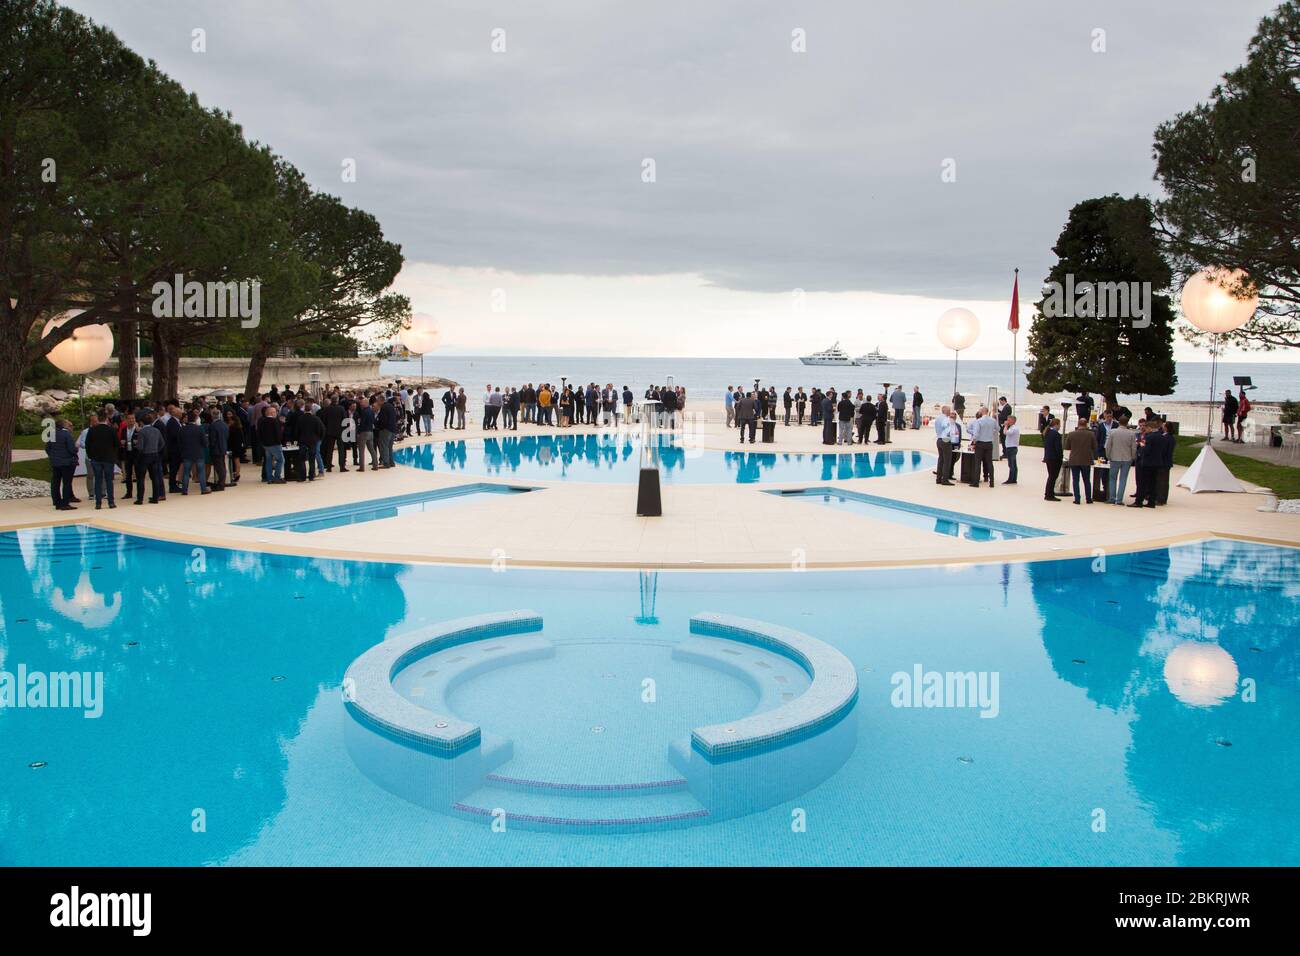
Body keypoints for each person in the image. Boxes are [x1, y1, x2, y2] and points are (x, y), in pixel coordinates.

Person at [45, 419, 79, 511]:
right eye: (69, 425)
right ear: (65, 426)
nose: (70, 427)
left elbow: (48, 448)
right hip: (66, 462)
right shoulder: (66, 435)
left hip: (55, 462)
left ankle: (57, 502)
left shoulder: (52, 434)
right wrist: (76, 449)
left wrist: (52, 456)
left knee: (55, 482)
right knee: (67, 483)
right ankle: (65, 503)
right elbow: (72, 449)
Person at [134, 413, 166, 503]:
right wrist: (156, 449)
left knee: (141, 478)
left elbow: (140, 447)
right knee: (155, 477)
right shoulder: (156, 430)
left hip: (144, 456)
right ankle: (155, 497)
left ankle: (140, 498)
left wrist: (136, 445)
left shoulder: (142, 432)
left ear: (141, 422)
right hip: (155, 455)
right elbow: (162, 443)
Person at [1063, 417, 1097, 504]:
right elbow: (1094, 447)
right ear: (1086, 424)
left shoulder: (1071, 434)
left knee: (1075, 480)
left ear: (1078, 424)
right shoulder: (1091, 434)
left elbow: (1067, 447)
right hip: (1086, 460)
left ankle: (1077, 499)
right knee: (1086, 480)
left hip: (1074, 459)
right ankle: (1088, 498)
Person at [1132, 420, 1163, 508]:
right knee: (1153, 483)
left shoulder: (1150, 437)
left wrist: (1142, 446)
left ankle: (1139, 501)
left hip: (1147, 462)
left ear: (1150, 428)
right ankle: (1151, 501)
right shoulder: (1161, 436)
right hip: (1156, 462)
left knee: (1142, 482)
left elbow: (1147, 450)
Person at [1104, 415, 1135, 504]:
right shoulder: (1131, 433)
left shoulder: (1112, 432)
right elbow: (1133, 447)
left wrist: (1108, 456)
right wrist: (1133, 457)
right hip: (1127, 458)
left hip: (1114, 457)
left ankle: (1112, 498)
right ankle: (1119, 499)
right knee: (1123, 479)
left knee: (1112, 478)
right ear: (1127, 423)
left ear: (1118, 422)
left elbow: (1108, 446)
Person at [179, 410, 210, 495]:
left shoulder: (182, 429)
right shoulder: (199, 429)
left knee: (186, 472)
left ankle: (184, 490)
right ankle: (203, 489)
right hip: (198, 452)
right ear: (196, 418)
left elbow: (180, 442)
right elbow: (204, 442)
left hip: (187, 452)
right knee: (201, 471)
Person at [968, 407, 997, 487]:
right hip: (989, 443)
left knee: (977, 463)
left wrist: (974, 441)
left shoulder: (978, 421)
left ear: (982, 412)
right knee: (989, 463)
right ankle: (992, 482)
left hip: (980, 443)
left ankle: (976, 482)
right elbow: (998, 429)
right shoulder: (993, 420)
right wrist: (991, 433)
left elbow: (976, 434)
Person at [296, 403, 325, 481]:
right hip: (313, 441)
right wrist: (319, 438)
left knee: (302, 459)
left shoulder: (300, 418)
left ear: (304, 410)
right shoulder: (316, 418)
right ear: (311, 410)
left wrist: (297, 439)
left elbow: (297, 430)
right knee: (312, 459)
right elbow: (322, 429)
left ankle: (303, 476)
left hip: (302, 440)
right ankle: (311, 476)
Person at [258, 405, 286, 483]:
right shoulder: (275, 421)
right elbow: (278, 433)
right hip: (275, 444)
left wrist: (262, 442)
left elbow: (259, 433)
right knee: (280, 460)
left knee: (268, 461)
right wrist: (280, 442)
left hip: (266, 444)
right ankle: (277, 476)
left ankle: (269, 477)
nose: (276, 413)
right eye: (275, 412)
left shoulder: (262, 421)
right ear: (272, 413)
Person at [207, 408, 229, 491]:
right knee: (222, 466)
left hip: (216, 449)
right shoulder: (224, 424)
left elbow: (212, 439)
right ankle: (221, 482)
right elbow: (226, 436)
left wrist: (211, 446)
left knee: (219, 467)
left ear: (212, 416)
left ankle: (221, 484)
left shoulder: (212, 426)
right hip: (223, 447)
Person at [1042, 417, 1063, 501]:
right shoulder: (1056, 434)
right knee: (1053, 476)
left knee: (1051, 476)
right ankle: (1049, 494)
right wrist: (1060, 457)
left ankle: (1049, 493)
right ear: (1056, 425)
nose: (1060, 427)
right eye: (1059, 425)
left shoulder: (1047, 433)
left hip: (1048, 457)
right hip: (1054, 458)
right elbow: (1058, 448)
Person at [1002, 416, 1020, 484]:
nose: (1007, 421)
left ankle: (1011, 479)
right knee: (1013, 464)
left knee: (1011, 464)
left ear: (1013, 421)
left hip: (1011, 448)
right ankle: (1013, 478)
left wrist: (1005, 426)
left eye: (1009, 420)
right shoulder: (1013, 428)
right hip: (1011, 447)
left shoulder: (1014, 428)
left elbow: (1005, 432)